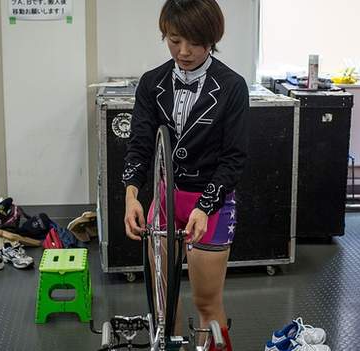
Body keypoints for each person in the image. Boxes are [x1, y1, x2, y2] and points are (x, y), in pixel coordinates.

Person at [123, 0, 249, 349]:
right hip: (164, 200)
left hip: (211, 202)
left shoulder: (232, 86)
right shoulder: (152, 84)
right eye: (175, 40)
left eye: (194, 42)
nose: (184, 51)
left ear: (211, 38)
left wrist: (206, 206)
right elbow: (140, 146)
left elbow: (234, 160)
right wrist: (132, 196)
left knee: (206, 303)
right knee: (162, 308)